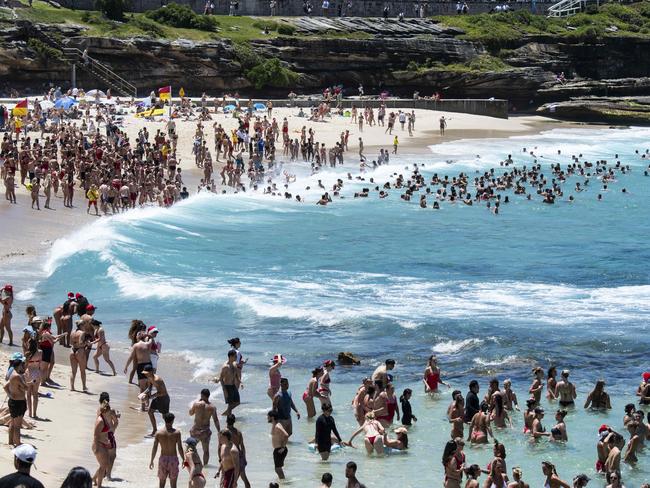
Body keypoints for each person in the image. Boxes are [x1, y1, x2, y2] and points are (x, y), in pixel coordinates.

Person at [150, 412, 183, 488]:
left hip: (163, 459)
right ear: (172, 421)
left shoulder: (158, 433)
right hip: (173, 459)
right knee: (173, 485)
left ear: (164, 420)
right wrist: (183, 459)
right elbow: (180, 448)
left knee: (161, 484)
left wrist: (152, 460)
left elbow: (154, 448)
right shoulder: (177, 433)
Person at [4, 353, 31, 446]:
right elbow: (26, 388)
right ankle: (18, 443)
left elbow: (5, 386)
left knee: (12, 422)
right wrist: (30, 383)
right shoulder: (18, 376)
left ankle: (11, 441)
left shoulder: (12, 373)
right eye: (23, 364)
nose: (24, 365)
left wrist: (10, 395)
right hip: (18, 402)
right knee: (17, 426)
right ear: (19, 365)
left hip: (13, 401)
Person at [189, 388, 221, 465]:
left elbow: (190, 413)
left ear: (202, 395)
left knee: (191, 449)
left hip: (195, 430)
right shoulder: (212, 407)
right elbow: (216, 420)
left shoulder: (196, 404)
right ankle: (205, 467)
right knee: (206, 451)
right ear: (208, 396)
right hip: (205, 432)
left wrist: (196, 403)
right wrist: (219, 431)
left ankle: (194, 465)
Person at [142, 365, 171, 437]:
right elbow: (150, 387)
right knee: (150, 412)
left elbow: (163, 393)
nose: (145, 374)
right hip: (157, 397)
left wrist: (150, 397)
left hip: (164, 399)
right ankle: (155, 431)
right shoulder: (149, 377)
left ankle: (169, 431)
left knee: (165, 416)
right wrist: (144, 393)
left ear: (151, 372)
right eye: (144, 373)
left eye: (146, 373)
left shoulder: (157, 380)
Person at [224, 415, 251, 488]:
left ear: (226, 421)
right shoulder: (238, 432)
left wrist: (221, 458)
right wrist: (244, 458)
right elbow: (242, 446)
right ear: (234, 422)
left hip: (229, 457)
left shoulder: (224, 433)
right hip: (239, 456)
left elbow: (221, 446)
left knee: (229, 479)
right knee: (244, 478)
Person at [92, 400, 114, 488]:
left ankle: (94, 478)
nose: (110, 412)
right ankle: (99, 485)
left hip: (103, 443)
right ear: (105, 411)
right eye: (109, 411)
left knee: (106, 464)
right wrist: (96, 447)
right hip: (98, 445)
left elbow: (105, 432)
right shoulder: (100, 420)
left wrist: (107, 441)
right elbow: (96, 435)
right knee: (103, 465)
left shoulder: (104, 418)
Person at [214, 349, 241, 416]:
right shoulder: (225, 367)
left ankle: (227, 412)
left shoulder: (234, 364)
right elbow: (221, 379)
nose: (236, 358)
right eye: (235, 356)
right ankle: (228, 418)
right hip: (227, 386)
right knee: (230, 404)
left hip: (233, 385)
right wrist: (225, 390)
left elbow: (236, 375)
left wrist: (240, 382)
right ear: (230, 357)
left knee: (237, 402)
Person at [268, 410, 289, 479]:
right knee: (278, 469)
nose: (267, 418)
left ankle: (283, 483)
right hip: (278, 449)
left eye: (268, 417)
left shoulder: (277, 426)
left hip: (280, 449)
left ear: (272, 418)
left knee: (278, 469)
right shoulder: (275, 425)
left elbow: (286, 435)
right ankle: (283, 482)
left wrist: (283, 447)